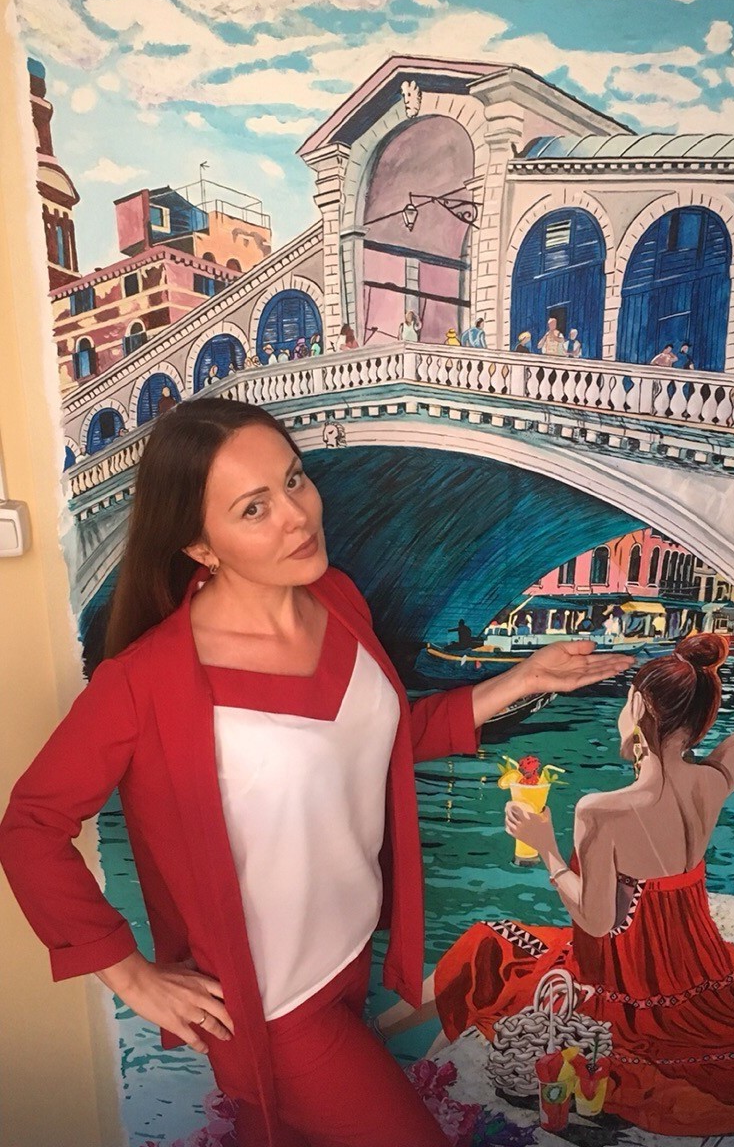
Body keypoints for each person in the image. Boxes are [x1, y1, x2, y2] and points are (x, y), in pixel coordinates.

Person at [0, 397, 634, 1147]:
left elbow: (374, 743)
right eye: (254, 508)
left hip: (348, 958)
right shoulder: (148, 681)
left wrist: (522, 680)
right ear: (200, 546)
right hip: (273, 1010)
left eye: (294, 480)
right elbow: (30, 827)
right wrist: (128, 972)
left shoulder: (337, 600)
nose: (297, 516)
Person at [378, 565, 734, 1137]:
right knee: (494, 954)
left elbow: (596, 920)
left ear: (639, 710)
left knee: (486, 946)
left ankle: (380, 1048)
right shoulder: (714, 780)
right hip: (696, 979)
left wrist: (547, 850)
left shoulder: (601, 811)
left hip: (621, 989)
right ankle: (385, 1049)